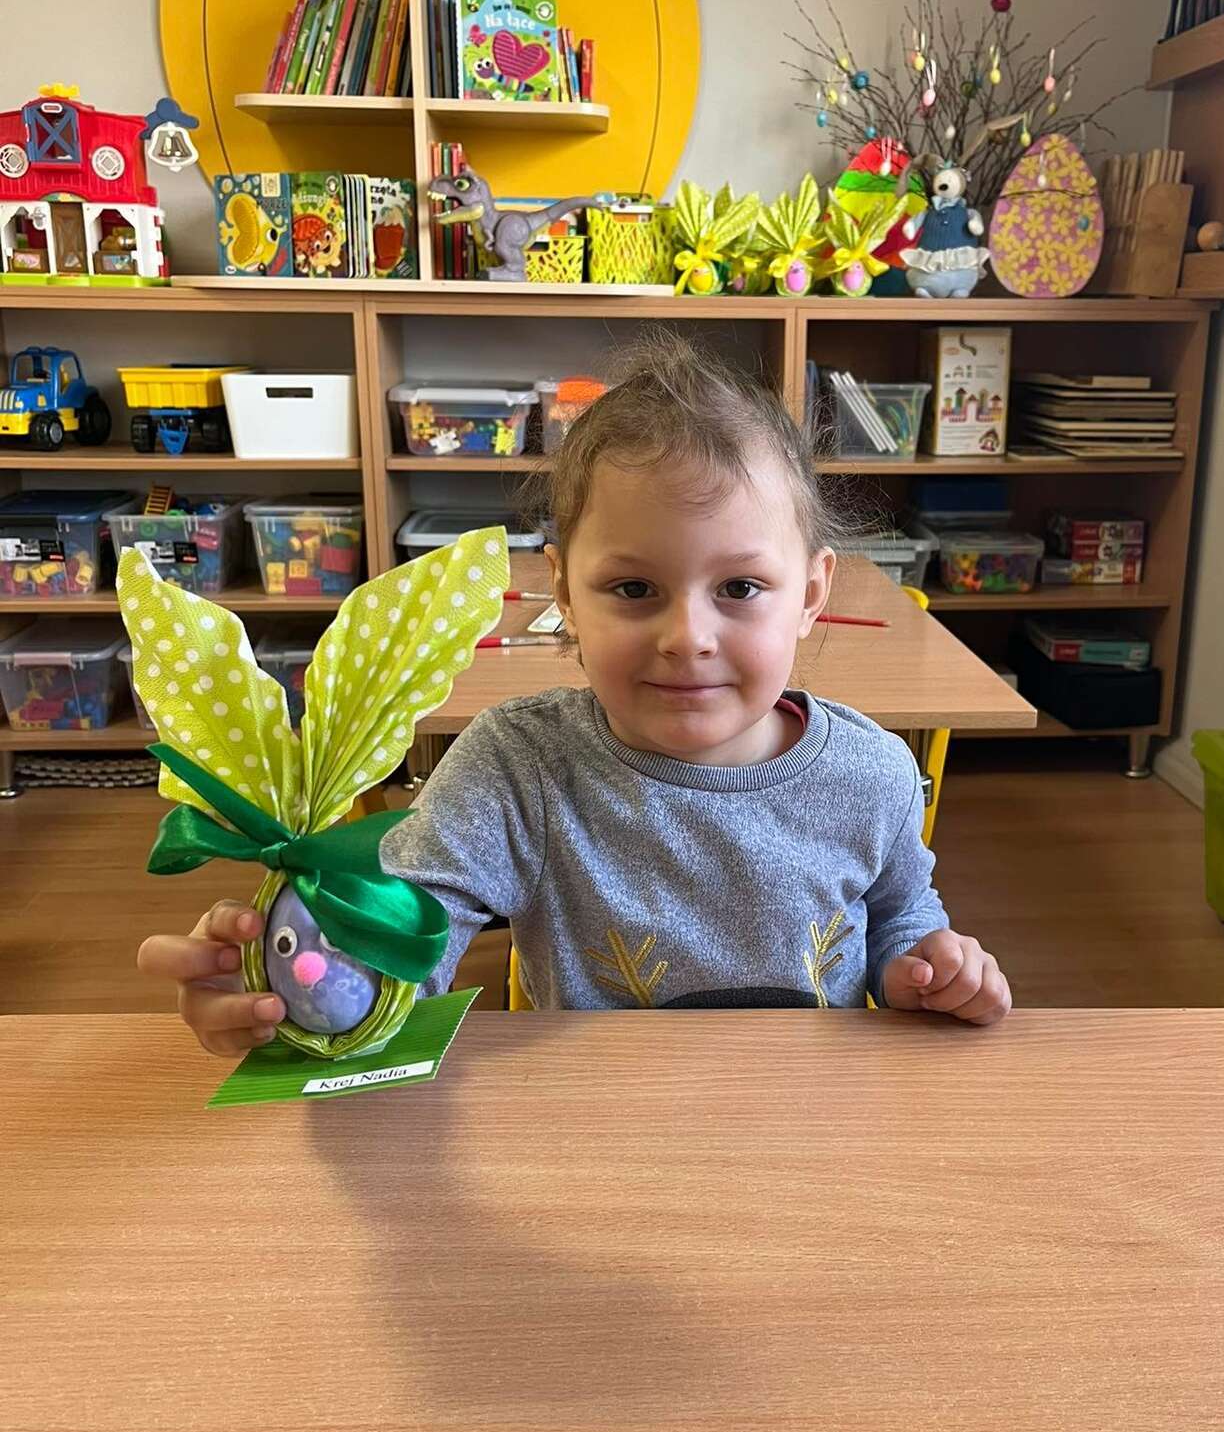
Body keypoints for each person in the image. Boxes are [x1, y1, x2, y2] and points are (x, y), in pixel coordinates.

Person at [138, 333, 1011, 1054]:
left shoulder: (873, 773)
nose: (688, 636)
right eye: (633, 588)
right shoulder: (518, 768)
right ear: (563, 590)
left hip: (809, 1136)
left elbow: (902, 911)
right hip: (589, 1143)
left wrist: (925, 965)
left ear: (812, 593)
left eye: (740, 588)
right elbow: (405, 935)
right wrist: (301, 986)